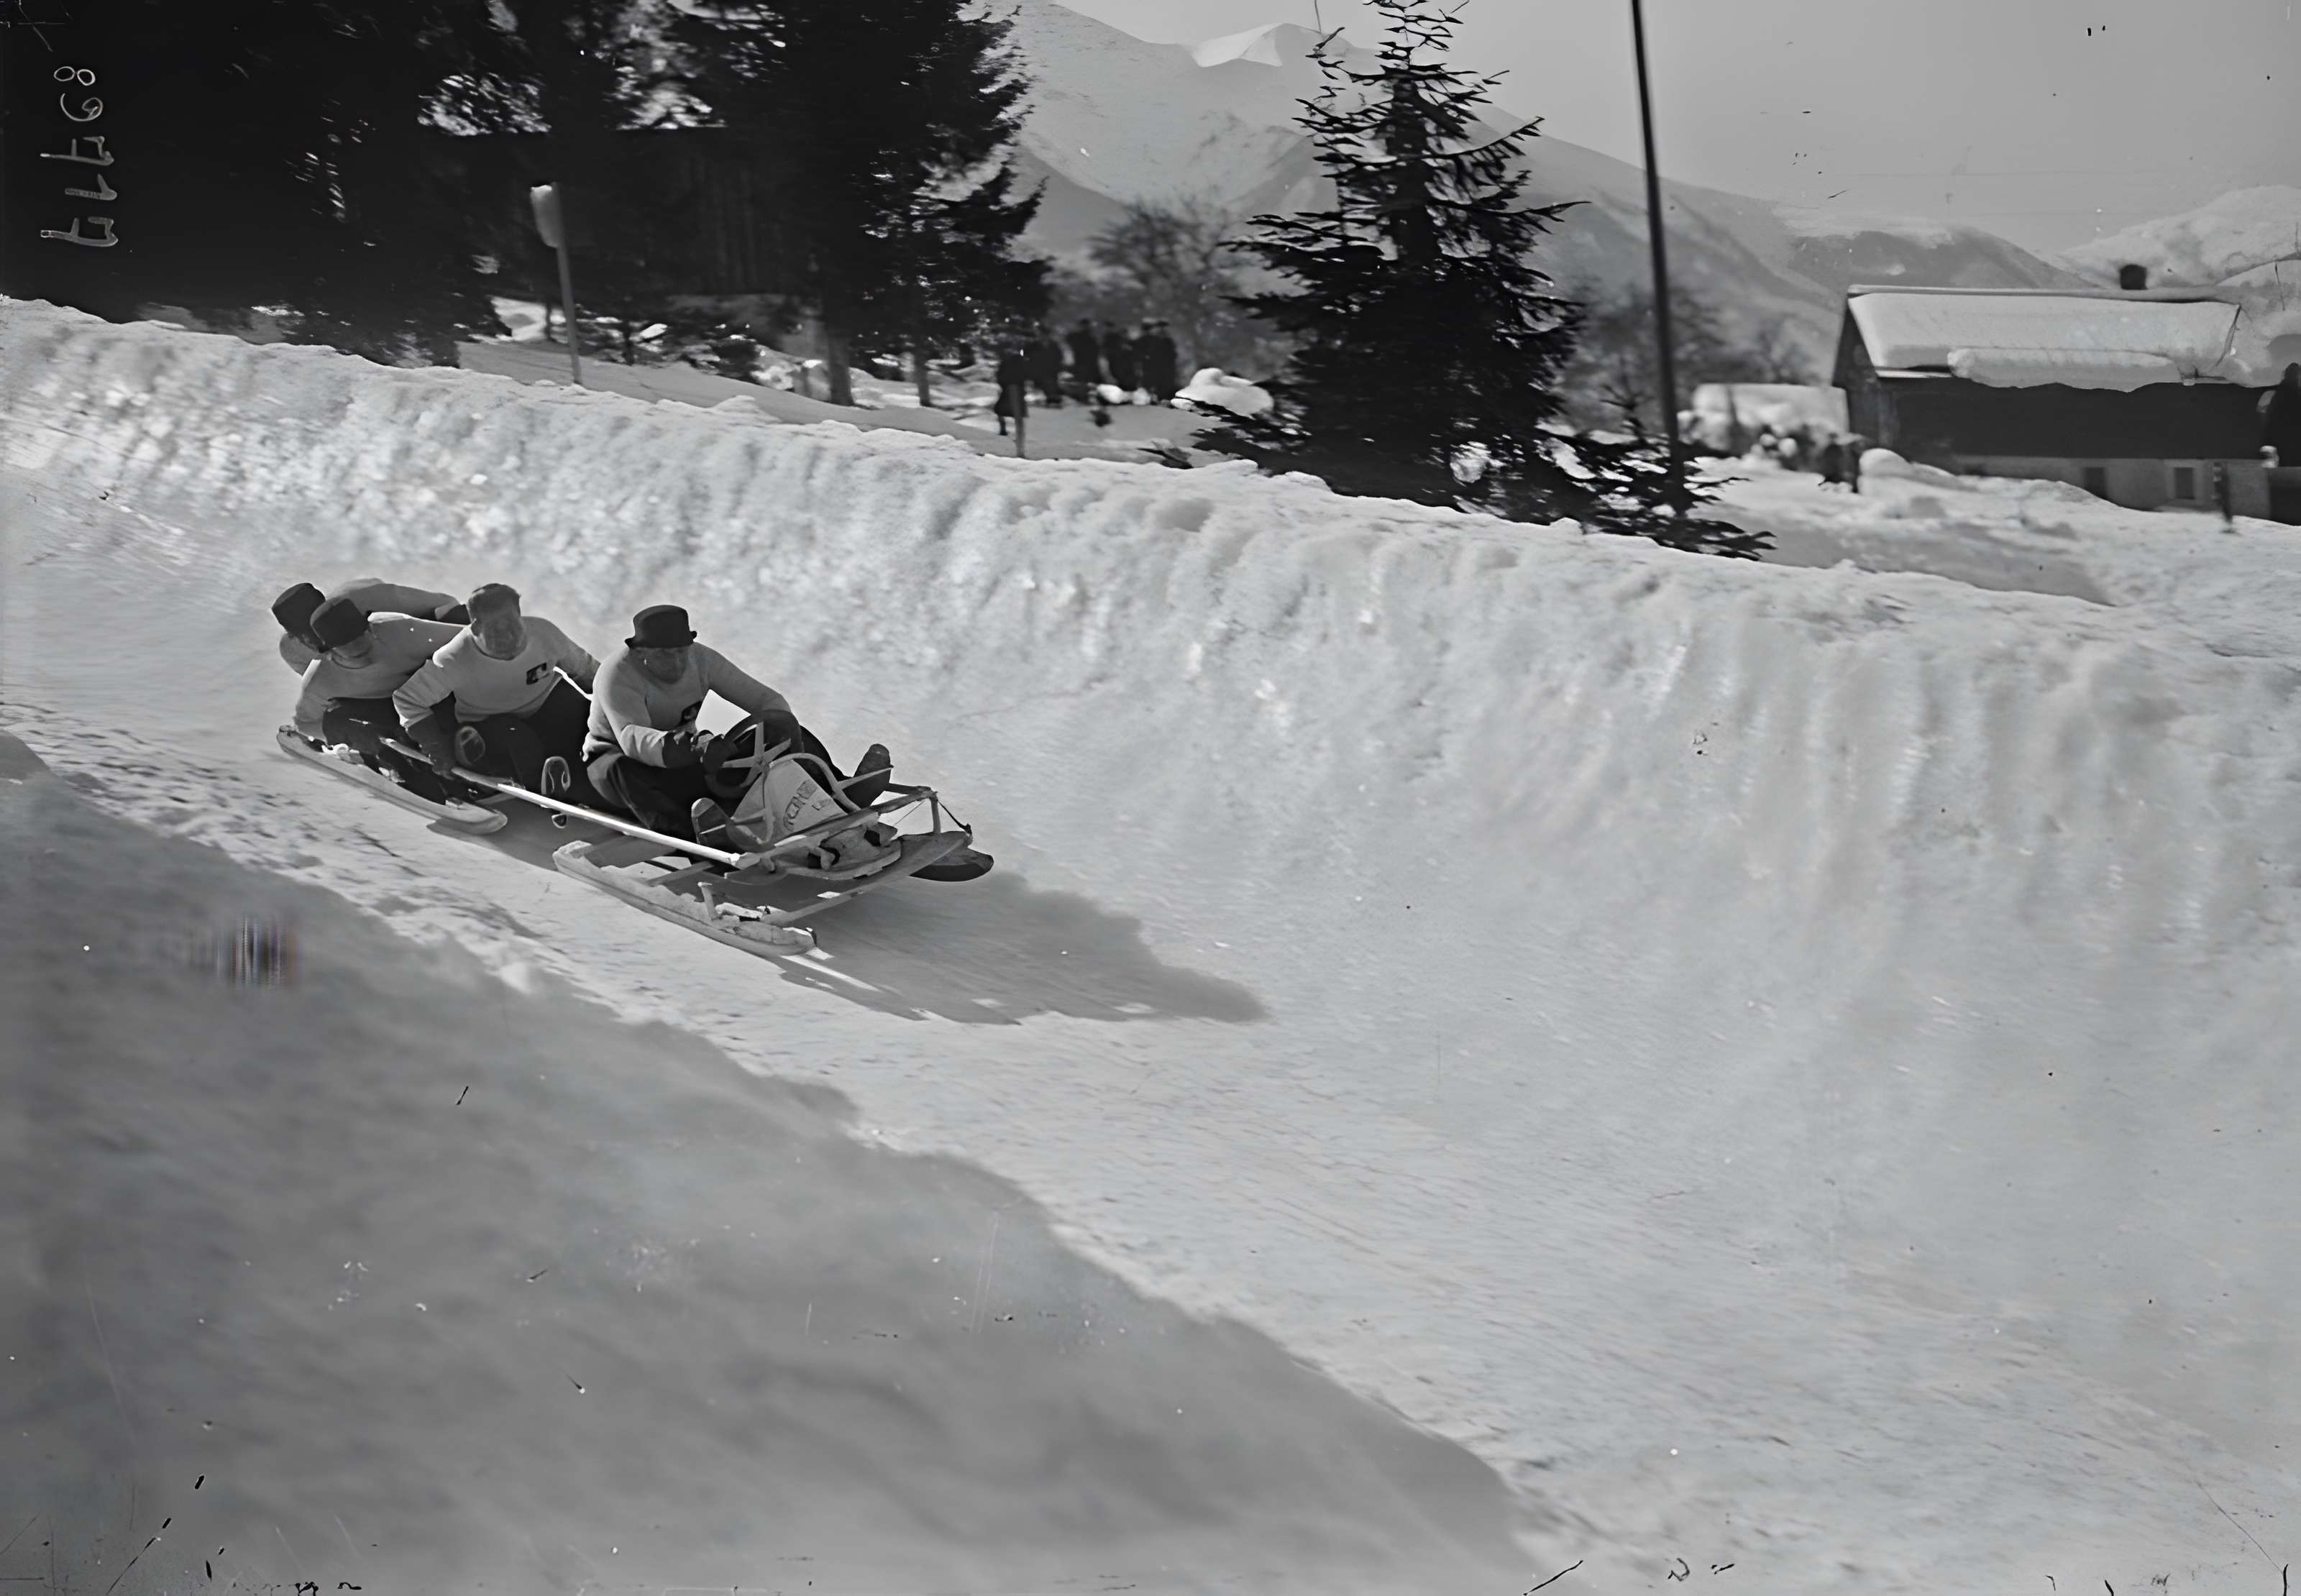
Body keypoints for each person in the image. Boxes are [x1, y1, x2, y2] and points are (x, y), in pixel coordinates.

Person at [582, 604, 892, 843]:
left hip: (687, 753)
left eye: (681, 652)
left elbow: (766, 701)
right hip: (615, 761)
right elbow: (633, 740)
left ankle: (841, 795)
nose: (677, 662)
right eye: (665, 654)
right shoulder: (616, 675)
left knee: (781, 728)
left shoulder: (700, 659)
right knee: (623, 771)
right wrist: (695, 745)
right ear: (641, 653)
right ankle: (699, 841)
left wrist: (783, 742)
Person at [392, 582, 603, 805]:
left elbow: (590, 673)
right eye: (495, 630)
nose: (507, 637)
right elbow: (407, 699)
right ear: (475, 629)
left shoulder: (544, 633)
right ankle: (546, 791)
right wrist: (435, 746)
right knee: (518, 739)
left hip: (545, 702)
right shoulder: (454, 658)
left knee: (588, 719)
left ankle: (610, 781)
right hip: (490, 720)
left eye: (512, 625)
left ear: (521, 617)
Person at [288, 599, 465, 802]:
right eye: (350, 647)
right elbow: (304, 724)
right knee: (338, 718)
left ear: (370, 628)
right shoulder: (320, 679)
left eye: (363, 636)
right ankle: (416, 778)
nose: (361, 648)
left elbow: (470, 639)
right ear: (329, 652)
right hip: (379, 717)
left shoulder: (400, 629)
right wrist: (352, 734)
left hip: (425, 697)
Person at [273, 579, 468, 673]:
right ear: (295, 636)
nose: (324, 635)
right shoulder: (293, 652)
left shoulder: (372, 596)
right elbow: (325, 690)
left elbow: (447, 604)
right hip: (382, 678)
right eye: (310, 634)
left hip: (423, 641)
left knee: (459, 614)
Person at [2261, 362, 2301, 469]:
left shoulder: (2281, 392)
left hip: (2285, 436)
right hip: (2290, 435)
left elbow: (2272, 417)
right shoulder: (2290, 392)